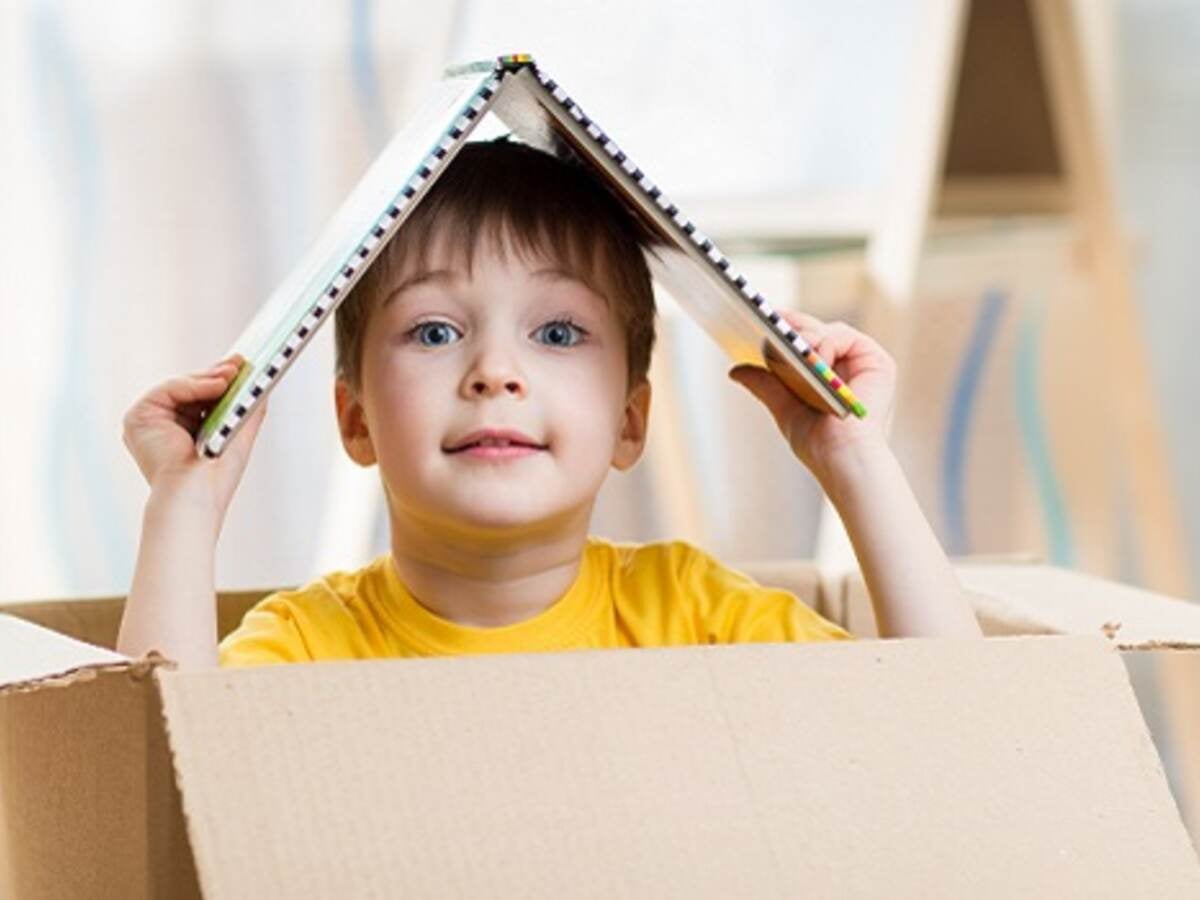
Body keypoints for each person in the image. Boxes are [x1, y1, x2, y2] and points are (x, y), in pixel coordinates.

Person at [117, 139, 980, 669]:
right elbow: (147, 794)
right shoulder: (310, 644)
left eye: (559, 334)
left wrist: (855, 462)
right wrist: (184, 503)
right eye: (433, 331)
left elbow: (956, 729)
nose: (495, 371)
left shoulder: (691, 615)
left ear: (630, 421)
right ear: (356, 420)